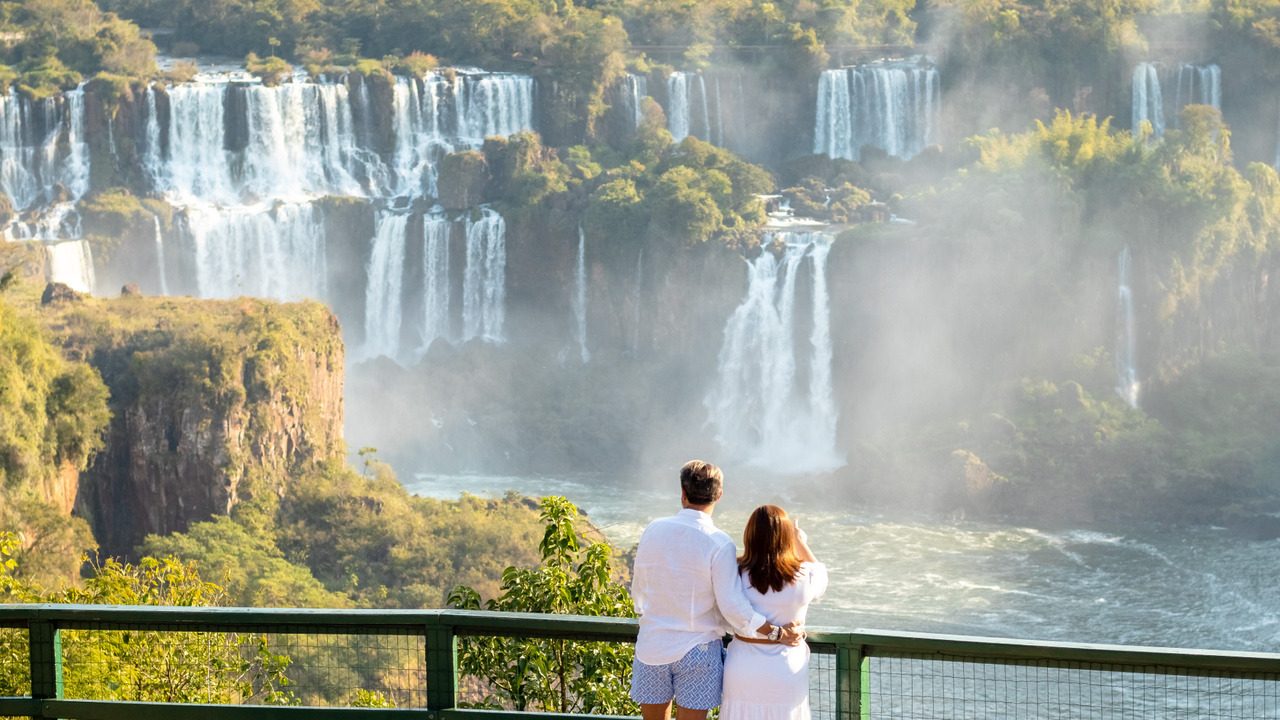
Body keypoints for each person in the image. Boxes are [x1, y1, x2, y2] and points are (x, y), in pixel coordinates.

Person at [630, 460, 804, 720]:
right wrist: (777, 633)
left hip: (652, 645)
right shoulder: (720, 543)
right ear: (719, 496)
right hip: (698, 651)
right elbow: (733, 607)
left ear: (683, 492)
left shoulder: (654, 529)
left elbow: (640, 588)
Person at [721, 505, 828, 720]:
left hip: (743, 667)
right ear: (786, 537)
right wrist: (800, 542)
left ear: (749, 536)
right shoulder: (804, 574)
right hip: (787, 669)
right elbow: (822, 576)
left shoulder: (735, 572)